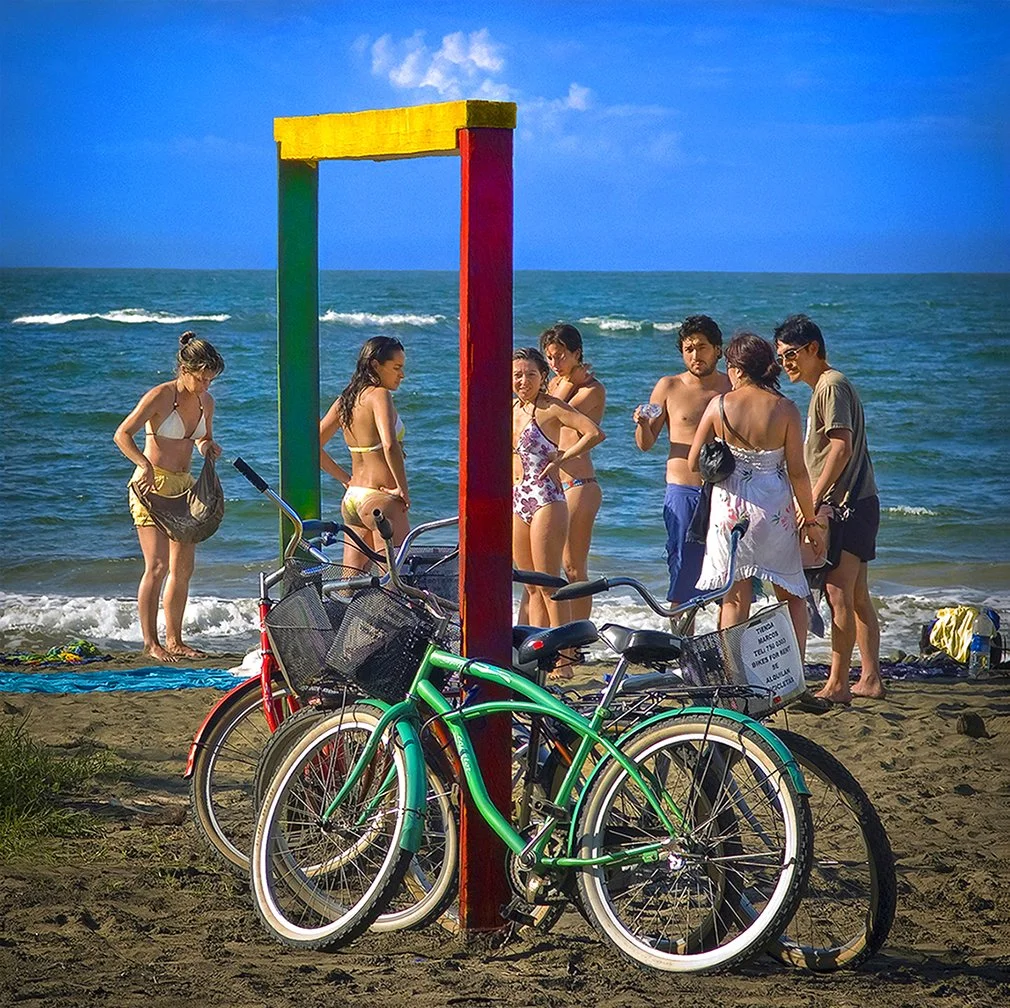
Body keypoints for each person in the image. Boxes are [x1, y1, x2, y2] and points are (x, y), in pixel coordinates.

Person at [688, 332, 825, 655]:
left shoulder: (718, 405)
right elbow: (797, 471)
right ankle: (793, 672)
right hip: (774, 509)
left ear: (737, 368)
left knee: (735, 598)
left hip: (729, 510)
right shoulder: (786, 408)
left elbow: (694, 461)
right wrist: (810, 520)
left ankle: (734, 677)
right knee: (790, 595)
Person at [775, 314, 886, 703]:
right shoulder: (825, 386)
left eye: (791, 354)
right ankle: (870, 677)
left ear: (813, 349)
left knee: (840, 595)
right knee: (856, 596)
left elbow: (841, 446)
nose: (786, 363)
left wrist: (814, 500)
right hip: (858, 501)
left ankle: (838, 685)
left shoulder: (830, 385)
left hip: (848, 504)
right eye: (781, 357)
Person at [114, 331, 224, 661]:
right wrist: (143, 464)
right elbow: (122, 434)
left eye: (210, 380)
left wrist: (207, 446)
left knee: (183, 569)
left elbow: (201, 439)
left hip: (184, 487)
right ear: (184, 369)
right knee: (158, 566)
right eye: (201, 378)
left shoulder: (207, 402)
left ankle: (175, 640)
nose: (205, 385)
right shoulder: (160, 396)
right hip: (151, 487)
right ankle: (151, 643)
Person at [634, 314, 731, 613]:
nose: (695, 355)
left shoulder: (731, 387)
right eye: (688, 349)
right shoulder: (669, 387)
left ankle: (724, 651)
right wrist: (642, 424)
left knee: (729, 576)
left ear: (717, 349)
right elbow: (645, 443)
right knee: (681, 570)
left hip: (725, 493)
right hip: (683, 491)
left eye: (702, 347)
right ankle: (682, 647)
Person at [512, 347, 605, 651]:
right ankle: (537, 656)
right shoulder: (511, 409)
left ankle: (566, 656)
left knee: (550, 584)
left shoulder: (551, 407)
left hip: (546, 498)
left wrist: (564, 456)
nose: (523, 381)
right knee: (531, 587)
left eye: (530, 374)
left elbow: (593, 433)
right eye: (517, 375)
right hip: (517, 498)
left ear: (543, 377)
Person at [319, 336, 410, 572]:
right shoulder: (379, 395)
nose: (402, 375)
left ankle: (343, 611)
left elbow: (312, 446)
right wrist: (402, 488)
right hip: (381, 500)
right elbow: (389, 445)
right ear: (375, 365)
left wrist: (345, 479)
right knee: (394, 581)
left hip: (353, 498)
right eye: (397, 368)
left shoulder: (345, 401)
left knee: (350, 583)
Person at [540, 323, 606, 619]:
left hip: (580, 484)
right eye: (550, 358)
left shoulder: (592, 389)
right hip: (552, 486)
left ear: (577, 353)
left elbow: (558, 411)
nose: (555, 364)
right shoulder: (554, 385)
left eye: (561, 356)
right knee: (548, 567)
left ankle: (579, 637)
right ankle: (559, 632)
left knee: (574, 565)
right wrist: (564, 379)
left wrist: (568, 382)